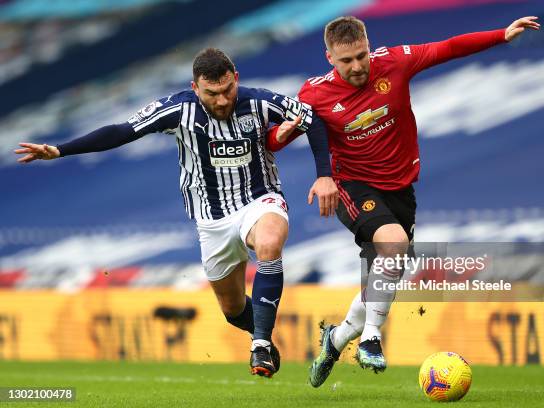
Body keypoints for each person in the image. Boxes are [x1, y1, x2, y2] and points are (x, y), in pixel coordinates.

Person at [14, 47, 338, 378]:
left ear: (236, 79)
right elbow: (122, 131)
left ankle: (261, 345)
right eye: (212, 94)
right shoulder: (177, 109)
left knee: (269, 244)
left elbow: (312, 119)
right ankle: (260, 336)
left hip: (260, 199)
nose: (223, 100)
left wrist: (324, 175)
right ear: (195, 88)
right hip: (211, 220)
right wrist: (61, 149)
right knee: (232, 308)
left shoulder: (259, 101)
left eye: (227, 90)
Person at [268, 15, 540, 386]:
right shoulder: (314, 95)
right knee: (393, 246)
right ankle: (371, 341)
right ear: (329, 57)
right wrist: (284, 136)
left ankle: (336, 338)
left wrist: (501, 35)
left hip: (401, 187)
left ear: (368, 46)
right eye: (346, 61)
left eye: (361, 56)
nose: (357, 66)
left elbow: (446, 48)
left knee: (388, 268)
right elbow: (274, 142)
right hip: (354, 185)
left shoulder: (394, 62)